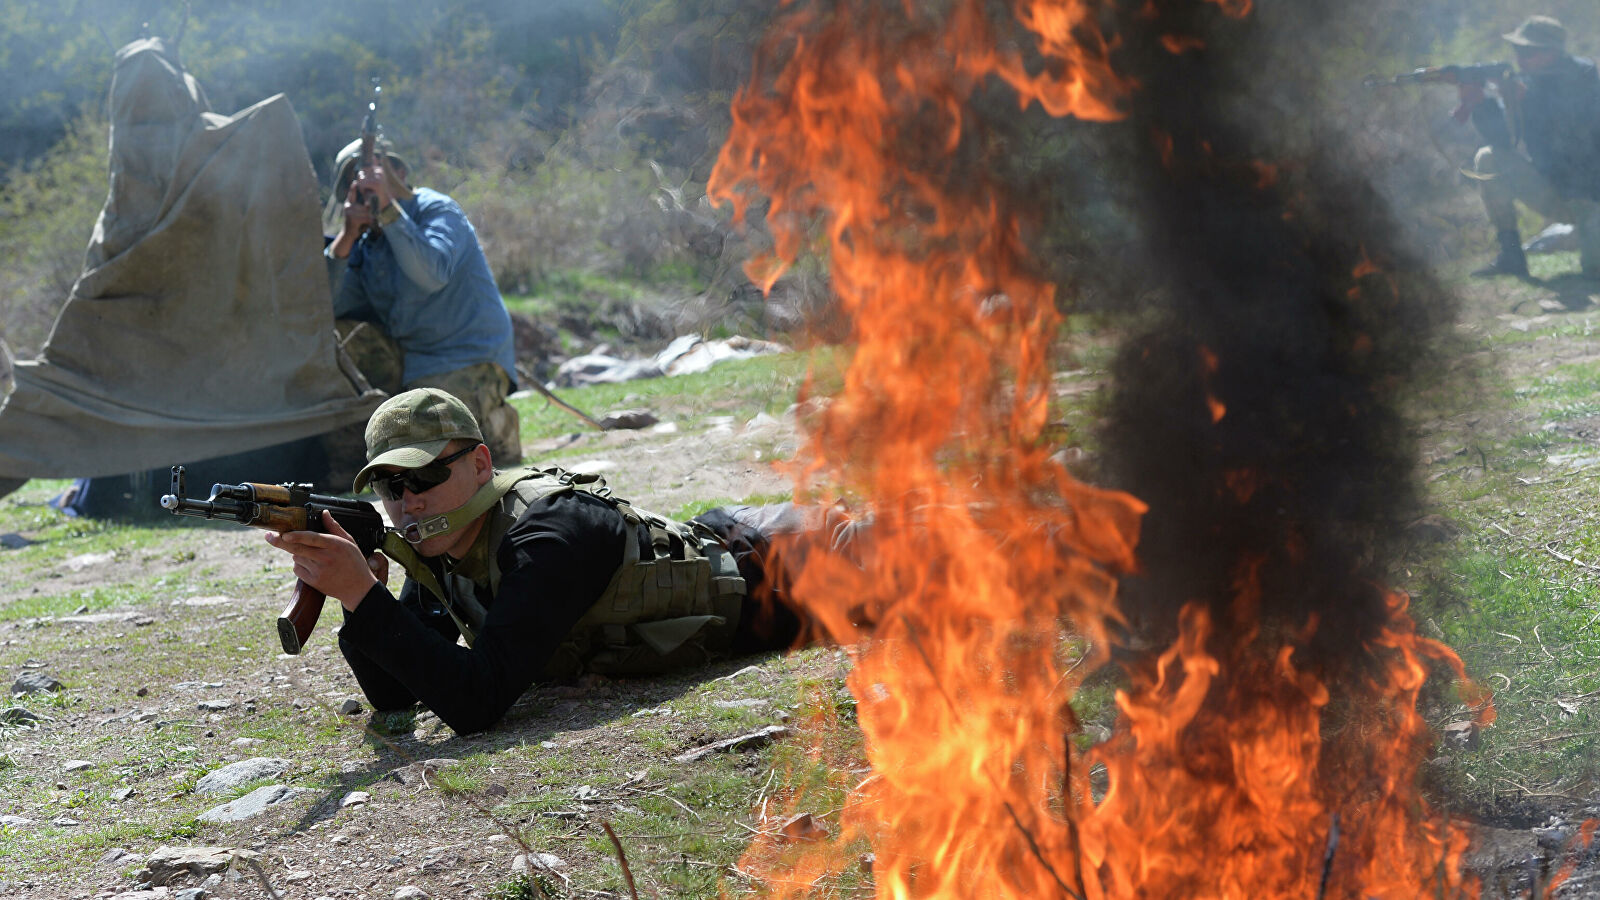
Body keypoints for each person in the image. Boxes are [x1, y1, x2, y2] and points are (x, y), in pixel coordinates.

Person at [264, 388, 827, 735]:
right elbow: (399, 693)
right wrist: (358, 596)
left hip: (783, 566)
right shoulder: (440, 546)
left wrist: (363, 596)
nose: (408, 501)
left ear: (481, 464)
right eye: (389, 486)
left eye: (425, 477)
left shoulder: (547, 534)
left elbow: (477, 701)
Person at [325, 139, 523, 465]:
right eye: (355, 184)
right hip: (411, 360)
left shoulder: (436, 209)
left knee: (442, 452)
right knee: (337, 339)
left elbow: (432, 273)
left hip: (464, 355)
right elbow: (328, 309)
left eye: (375, 175)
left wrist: (389, 210)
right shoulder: (364, 242)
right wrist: (346, 238)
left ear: (400, 173)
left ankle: (497, 423)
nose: (366, 189)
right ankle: (350, 463)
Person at [1460, 15, 1600, 278]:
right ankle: (1511, 254)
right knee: (1489, 158)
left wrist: (1530, 99)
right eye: (1518, 50)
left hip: (1592, 198)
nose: (1520, 57)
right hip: (1556, 193)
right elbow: (1502, 141)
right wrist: (1481, 103)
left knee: (1595, 271)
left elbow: (1578, 133)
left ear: (1553, 52)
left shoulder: (1584, 77)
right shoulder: (1526, 82)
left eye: (1529, 51)